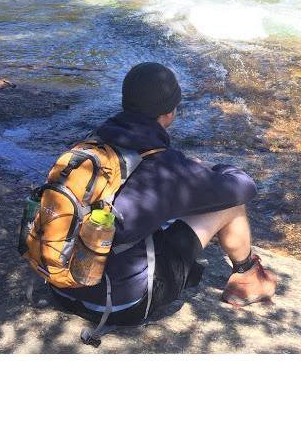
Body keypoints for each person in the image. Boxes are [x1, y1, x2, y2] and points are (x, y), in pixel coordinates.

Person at [49, 61, 278, 329]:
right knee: (229, 206)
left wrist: (186, 171)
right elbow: (244, 187)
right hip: (121, 303)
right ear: (170, 113)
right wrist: (208, 168)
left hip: (62, 287)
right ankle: (248, 277)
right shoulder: (166, 167)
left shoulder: (92, 143)